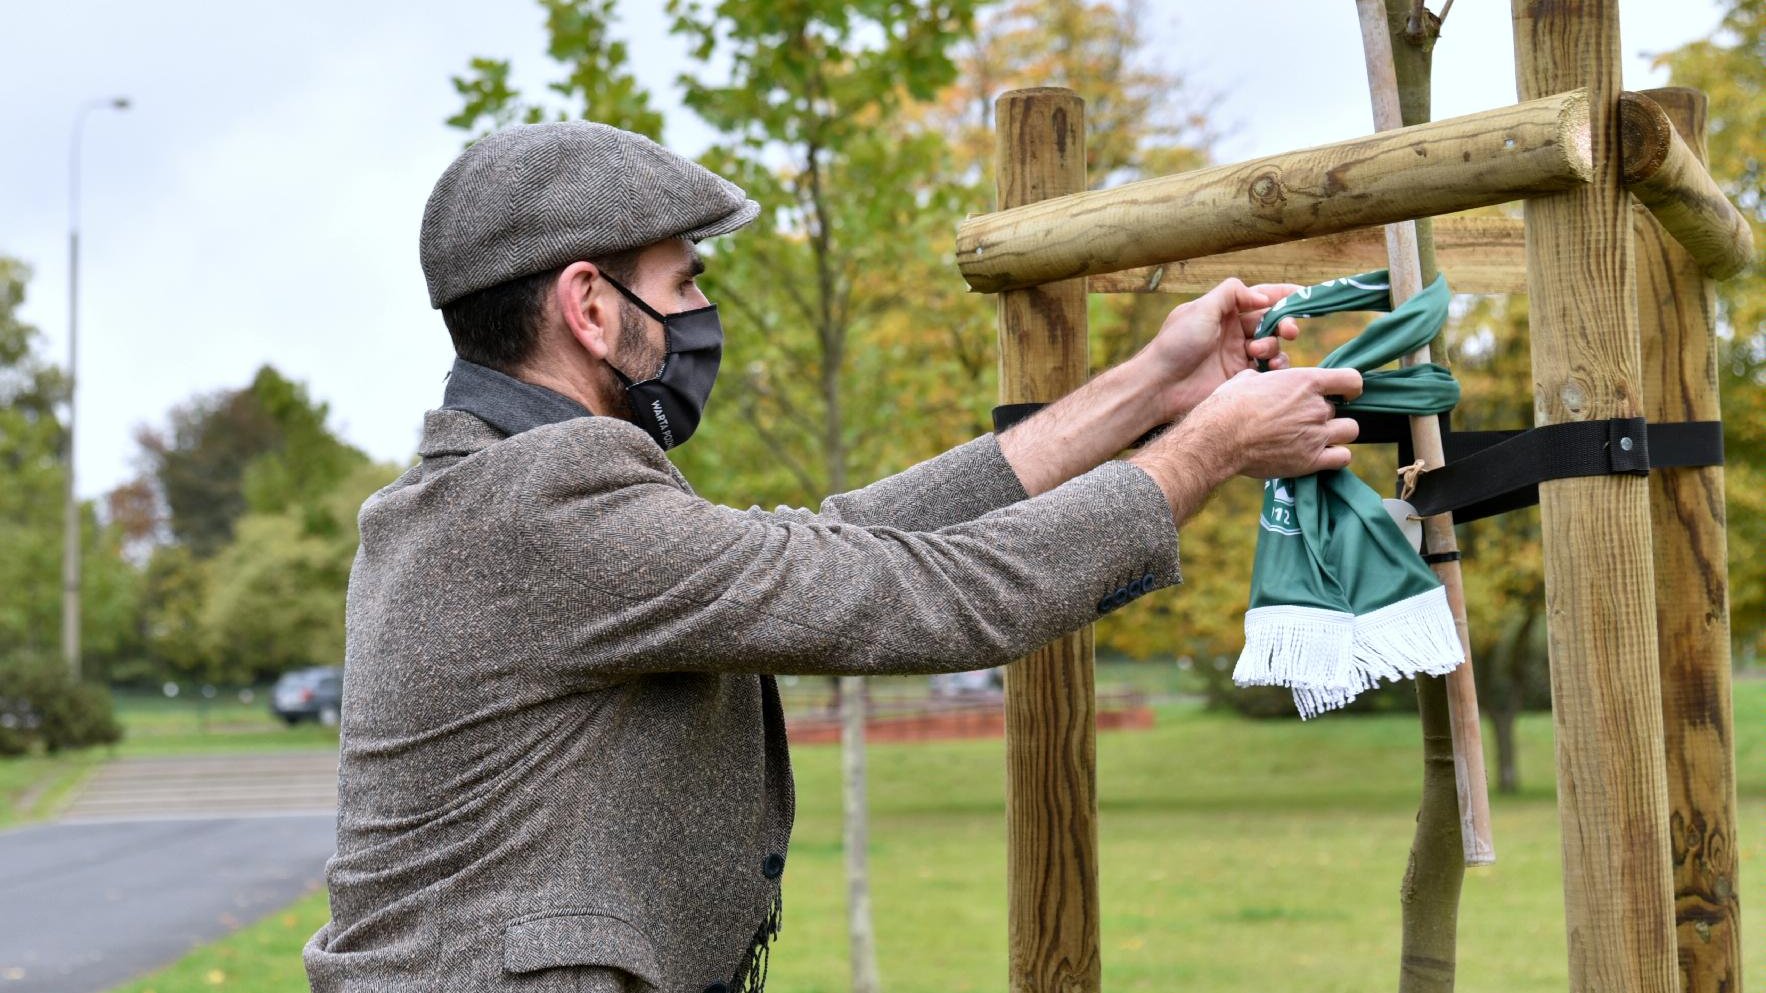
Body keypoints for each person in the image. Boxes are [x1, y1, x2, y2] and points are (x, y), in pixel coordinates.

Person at [302, 121, 1361, 993]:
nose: (699, 316)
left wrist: (1155, 386)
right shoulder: (544, 501)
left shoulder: (483, 488)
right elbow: (924, 597)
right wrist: (1210, 448)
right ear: (587, 306)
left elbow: (838, 541)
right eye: (682, 284)